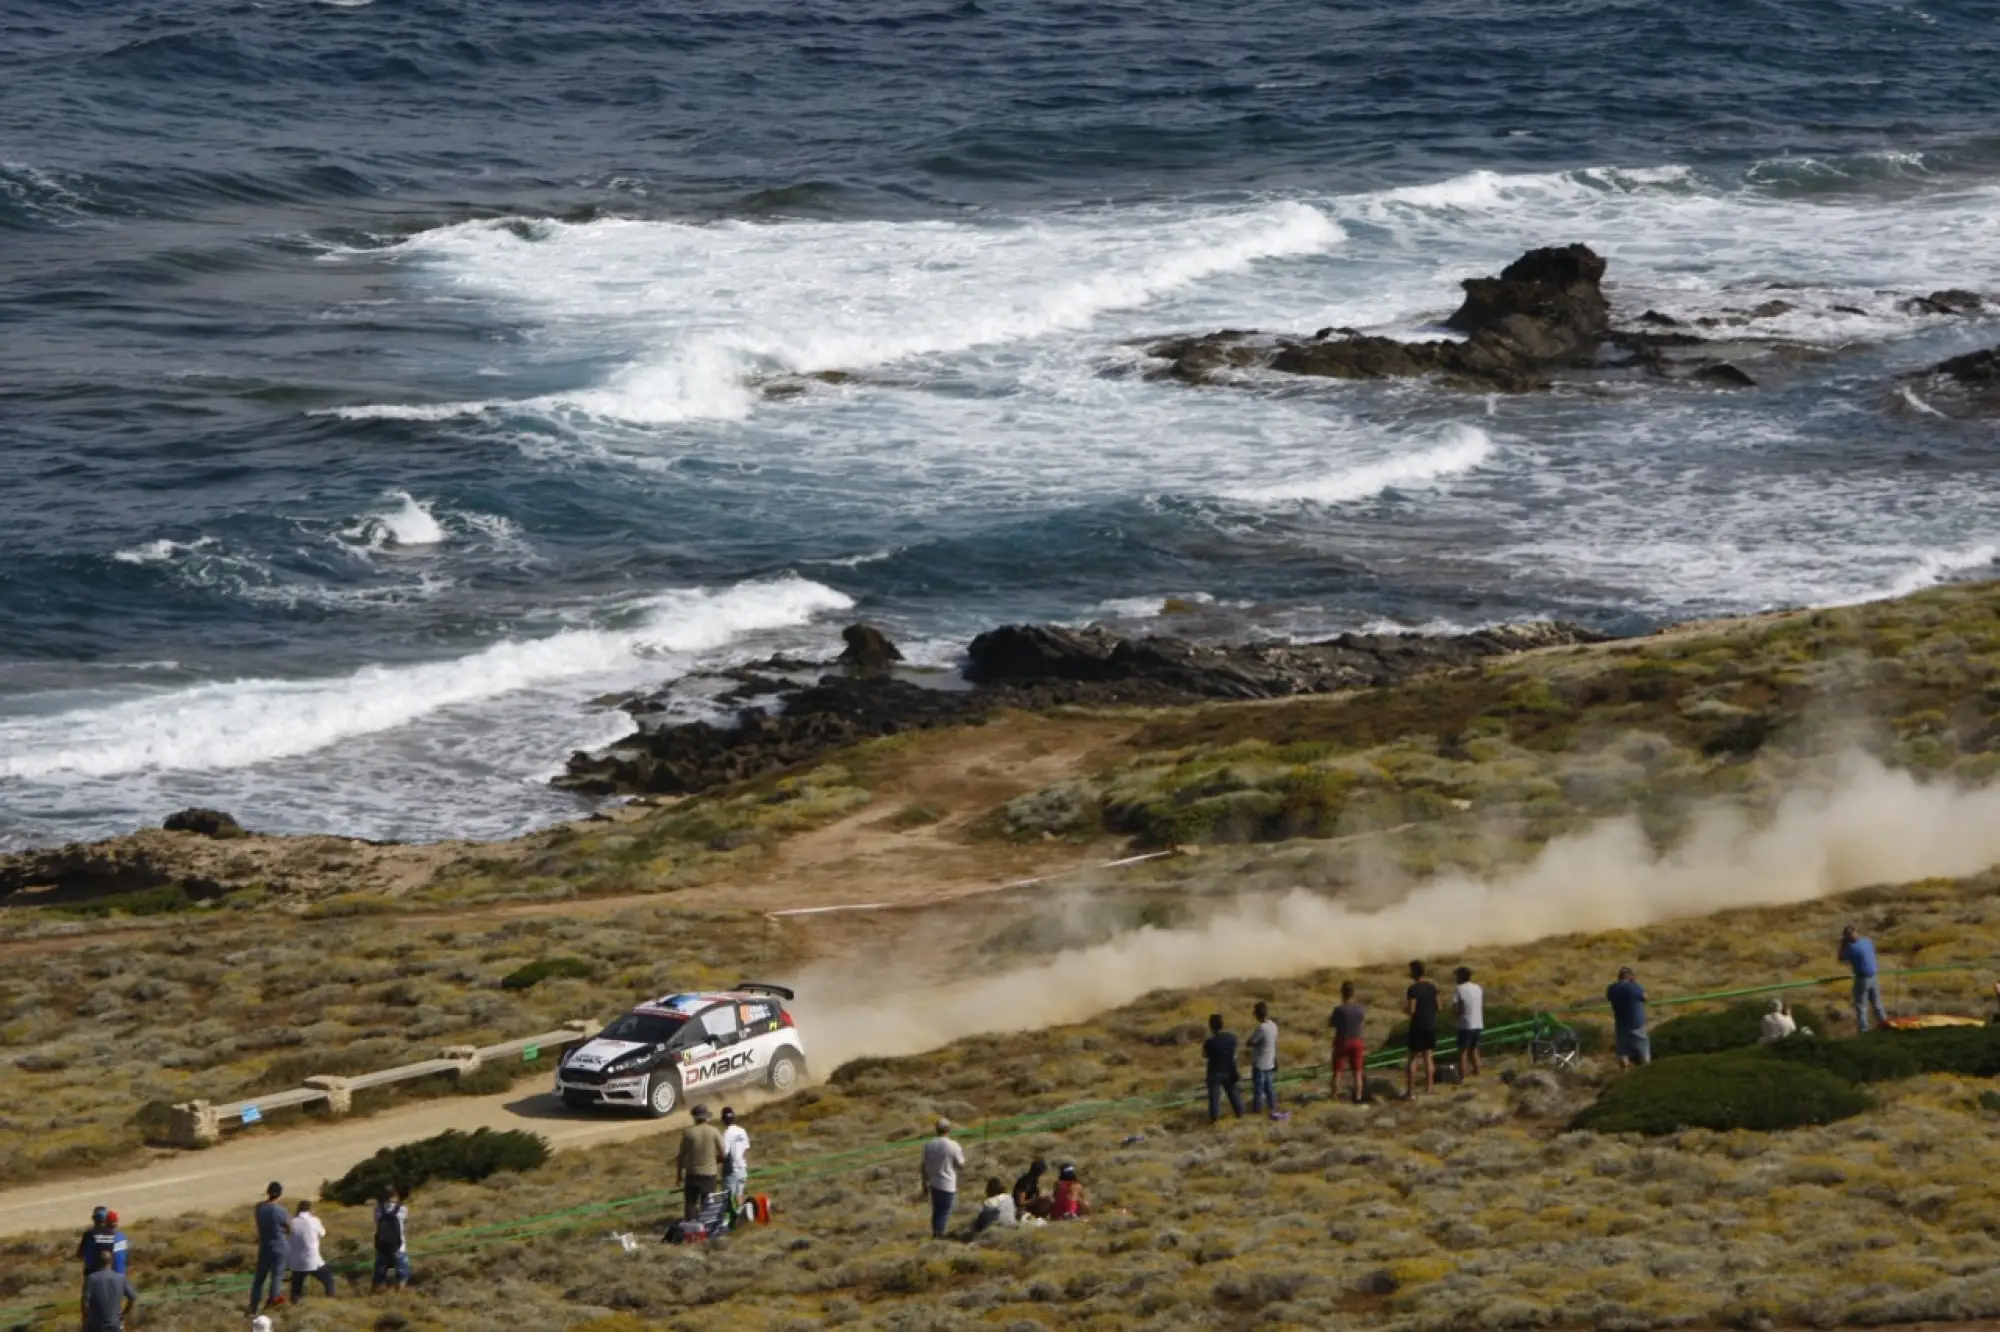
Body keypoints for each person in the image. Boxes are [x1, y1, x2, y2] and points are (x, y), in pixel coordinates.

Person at [675, 1103, 726, 1222]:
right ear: (707, 1117)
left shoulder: (688, 1133)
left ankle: (691, 1229)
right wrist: (714, 1161)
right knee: (707, 1204)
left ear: (694, 1117)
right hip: (709, 1174)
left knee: (690, 1204)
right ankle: (706, 1228)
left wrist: (678, 1175)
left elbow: (681, 1156)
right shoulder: (714, 1132)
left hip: (692, 1173)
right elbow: (723, 1154)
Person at [920, 1118, 965, 1240]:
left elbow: (923, 1166)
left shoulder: (929, 1145)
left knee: (937, 1211)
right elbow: (961, 1164)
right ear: (949, 1129)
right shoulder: (953, 1145)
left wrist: (924, 1183)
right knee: (944, 1212)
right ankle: (939, 1236)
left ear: (936, 1129)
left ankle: (936, 1232)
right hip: (948, 1183)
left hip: (933, 1182)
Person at [249, 1181, 291, 1313]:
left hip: (265, 1245)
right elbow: (289, 1227)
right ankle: (273, 1301)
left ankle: (254, 1305)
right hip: (279, 1245)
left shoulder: (259, 1208)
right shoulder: (280, 1210)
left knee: (259, 1278)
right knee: (277, 1276)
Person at [1840, 925, 1889, 1032]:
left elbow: (1841, 958)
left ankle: (1864, 1030)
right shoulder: (1867, 941)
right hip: (1874, 976)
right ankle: (1886, 1024)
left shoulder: (1852, 948)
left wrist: (1843, 944)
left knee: (1861, 1007)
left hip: (1863, 979)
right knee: (1877, 1004)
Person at [1404, 961, 1440, 1097]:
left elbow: (1411, 1010)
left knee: (1412, 1058)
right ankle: (1429, 1088)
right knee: (1428, 1057)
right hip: (1430, 1024)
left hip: (1417, 1026)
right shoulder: (1433, 987)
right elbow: (1439, 1007)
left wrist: (1406, 1009)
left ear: (1413, 972)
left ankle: (1410, 1090)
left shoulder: (1413, 989)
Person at [287, 1199, 333, 1303]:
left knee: (296, 1289)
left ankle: (294, 1306)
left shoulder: (292, 1222)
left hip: (296, 1261)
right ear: (310, 1209)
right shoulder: (314, 1220)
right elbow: (323, 1233)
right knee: (328, 1281)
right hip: (313, 1260)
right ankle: (330, 1302)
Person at [1329, 982, 1367, 1104]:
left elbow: (1332, 1024)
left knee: (1337, 1071)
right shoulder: (1360, 1009)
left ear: (1342, 993)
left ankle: (1334, 1096)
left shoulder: (1339, 1010)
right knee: (1357, 1071)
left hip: (1342, 1040)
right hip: (1357, 1041)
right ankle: (1358, 1097)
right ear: (1353, 993)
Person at [1202, 1013, 1244, 1121]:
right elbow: (1235, 1053)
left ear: (1211, 1026)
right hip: (1229, 1069)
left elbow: (1204, 1055)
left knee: (1215, 1097)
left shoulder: (1209, 1042)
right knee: (1233, 1093)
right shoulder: (1232, 1038)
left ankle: (1215, 1117)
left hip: (1215, 1071)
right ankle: (1240, 1112)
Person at [1607, 967, 1650, 1068]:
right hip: (1637, 1024)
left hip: (1621, 1025)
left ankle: (1625, 1072)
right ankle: (1646, 1070)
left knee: (1623, 1052)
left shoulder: (1612, 988)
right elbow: (1645, 998)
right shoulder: (1633, 987)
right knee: (1643, 1051)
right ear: (1630, 977)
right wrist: (1635, 983)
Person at [371, 1186, 410, 1292]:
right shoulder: (402, 1209)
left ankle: (376, 1297)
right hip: (399, 1247)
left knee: (379, 1275)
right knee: (402, 1275)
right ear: (396, 1196)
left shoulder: (378, 1210)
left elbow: (377, 1222)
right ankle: (400, 1296)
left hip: (382, 1247)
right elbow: (405, 1220)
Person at [81, 1263, 137, 1332]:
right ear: (111, 1262)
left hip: (96, 1325)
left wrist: (87, 1318)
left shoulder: (91, 1279)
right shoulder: (120, 1278)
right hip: (115, 1324)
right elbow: (132, 1297)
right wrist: (124, 1312)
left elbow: (85, 1303)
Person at [1248, 1001, 1281, 1115]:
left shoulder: (1261, 1028)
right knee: (1269, 1088)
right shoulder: (1273, 1026)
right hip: (1270, 1061)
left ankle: (1257, 1110)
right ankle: (1272, 1107)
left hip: (1259, 1062)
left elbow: (1251, 1042)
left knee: (1258, 1089)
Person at [76, 1206, 128, 1278]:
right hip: (114, 1274)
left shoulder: (89, 1234)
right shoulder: (117, 1235)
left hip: (92, 1273)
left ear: (94, 1219)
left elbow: (79, 1254)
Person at [1453, 966, 1485, 1078]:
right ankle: (1477, 1073)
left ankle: (1461, 1077)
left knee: (1463, 1052)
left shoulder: (1459, 989)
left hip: (1465, 1024)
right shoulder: (1478, 988)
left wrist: (1455, 1015)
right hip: (1478, 1023)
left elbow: (1458, 1007)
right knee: (1474, 1050)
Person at [719, 1106, 751, 1209]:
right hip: (742, 1167)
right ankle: (741, 1219)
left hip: (731, 1171)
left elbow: (725, 1154)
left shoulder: (726, 1134)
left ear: (723, 1120)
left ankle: (732, 1222)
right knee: (739, 1197)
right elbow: (746, 1147)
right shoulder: (742, 1131)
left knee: (729, 1200)